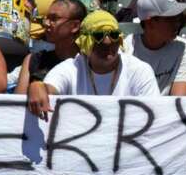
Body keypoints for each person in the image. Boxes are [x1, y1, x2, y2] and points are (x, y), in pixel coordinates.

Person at [28, 10, 159, 117]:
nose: (107, 42)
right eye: (98, 36)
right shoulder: (71, 68)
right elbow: (49, 88)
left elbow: (154, 114)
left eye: (113, 35)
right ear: (84, 43)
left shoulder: (139, 70)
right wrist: (37, 86)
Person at [124, 0, 186, 96]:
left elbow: (178, 100)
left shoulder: (185, 47)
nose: (177, 23)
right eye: (170, 19)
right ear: (150, 23)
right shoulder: (126, 48)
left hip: (168, 112)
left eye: (177, 17)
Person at [10, 0, 87, 93]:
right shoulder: (33, 60)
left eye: (54, 19)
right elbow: (18, 103)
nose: (46, 24)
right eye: (46, 18)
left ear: (75, 26)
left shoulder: (89, 64)